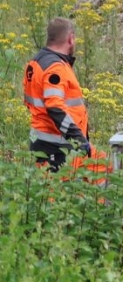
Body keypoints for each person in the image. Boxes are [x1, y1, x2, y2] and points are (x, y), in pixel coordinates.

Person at [23, 17, 90, 171]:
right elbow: (55, 107)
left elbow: (31, 103)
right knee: (60, 192)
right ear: (71, 38)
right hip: (57, 147)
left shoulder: (35, 63)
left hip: (41, 141)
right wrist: (78, 139)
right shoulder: (56, 68)